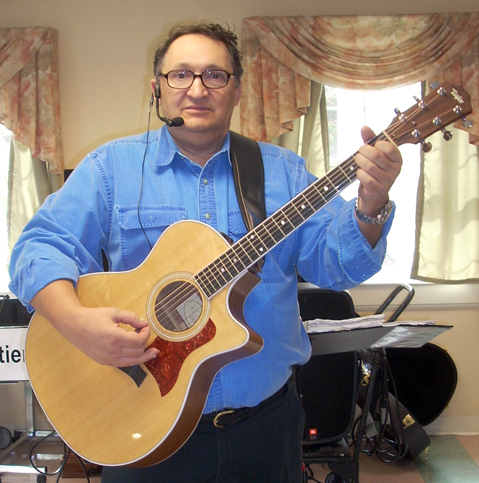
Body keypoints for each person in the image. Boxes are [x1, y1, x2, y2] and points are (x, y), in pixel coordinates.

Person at [9, 23, 402, 483]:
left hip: (264, 428)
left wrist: (371, 206)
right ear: (156, 88)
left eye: (215, 75)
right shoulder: (109, 168)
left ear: (236, 90)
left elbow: (337, 267)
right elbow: (36, 249)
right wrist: (77, 324)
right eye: (181, 75)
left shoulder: (284, 173)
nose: (197, 88)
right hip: (140, 424)